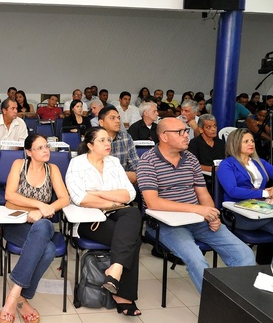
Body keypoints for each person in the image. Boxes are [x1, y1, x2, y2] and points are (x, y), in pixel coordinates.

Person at [137, 117, 255, 293]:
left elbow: (203, 194)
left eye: (186, 131)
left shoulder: (190, 159)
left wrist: (213, 215)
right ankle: (215, 309)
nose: (187, 135)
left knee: (244, 254)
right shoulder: (148, 161)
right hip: (167, 224)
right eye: (180, 132)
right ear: (164, 136)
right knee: (197, 260)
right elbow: (152, 202)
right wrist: (198, 209)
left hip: (199, 220)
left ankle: (241, 302)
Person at [66, 127, 143, 316]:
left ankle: (115, 271)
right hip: (89, 218)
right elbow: (80, 198)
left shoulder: (114, 162)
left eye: (108, 140)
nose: (107, 144)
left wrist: (98, 193)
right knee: (133, 239)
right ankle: (124, 295)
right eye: (101, 140)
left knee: (133, 212)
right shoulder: (76, 163)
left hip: (117, 212)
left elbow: (130, 193)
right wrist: (112, 201)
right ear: (90, 145)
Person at [0, 134, 70, 323]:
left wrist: (44, 211)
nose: (46, 150)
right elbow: (9, 197)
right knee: (48, 250)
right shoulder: (18, 165)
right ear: (28, 152)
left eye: (46, 146)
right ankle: (21, 298)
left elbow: (64, 199)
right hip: (15, 225)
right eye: (39, 148)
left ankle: (15, 294)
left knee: (44, 224)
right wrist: (40, 206)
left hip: (41, 225)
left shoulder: (52, 169)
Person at [217, 128, 273, 264]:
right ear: (235, 143)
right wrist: (265, 193)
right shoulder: (226, 165)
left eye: (252, 141)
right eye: (246, 141)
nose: (251, 144)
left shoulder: (259, 162)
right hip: (238, 214)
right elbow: (232, 191)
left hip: (261, 210)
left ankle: (265, 267)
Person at [99, 106, 140, 184]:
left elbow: (136, 168)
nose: (117, 121)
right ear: (101, 122)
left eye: (118, 118)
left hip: (123, 186)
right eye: (112, 118)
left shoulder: (126, 137)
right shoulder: (93, 139)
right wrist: (123, 175)